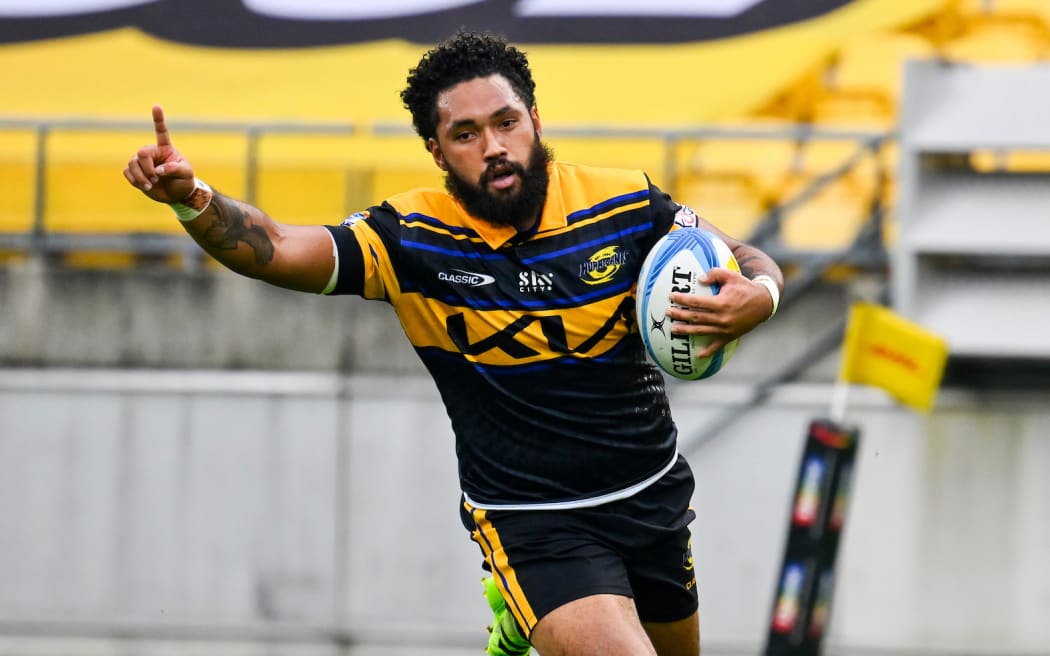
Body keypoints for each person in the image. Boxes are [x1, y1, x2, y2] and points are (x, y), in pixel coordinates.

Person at [123, 30, 783, 656]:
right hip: (533, 520)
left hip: (652, 494)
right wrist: (193, 199)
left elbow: (740, 255)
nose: (493, 146)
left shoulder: (624, 204)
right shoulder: (410, 238)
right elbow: (276, 247)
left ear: (535, 122)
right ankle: (526, 597)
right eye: (465, 134)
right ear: (438, 153)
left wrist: (761, 295)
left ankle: (520, 621)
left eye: (505, 122)